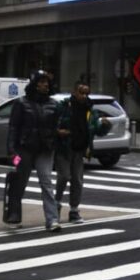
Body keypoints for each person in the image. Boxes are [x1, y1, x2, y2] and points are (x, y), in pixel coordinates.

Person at [6, 70, 60, 231]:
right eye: (41, 82)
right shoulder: (21, 103)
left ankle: (52, 220)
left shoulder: (54, 104)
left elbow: (57, 127)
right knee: (19, 182)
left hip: (45, 149)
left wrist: (55, 142)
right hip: (24, 149)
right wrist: (11, 151)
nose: (44, 85)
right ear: (34, 84)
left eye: (46, 82)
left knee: (47, 183)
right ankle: (14, 215)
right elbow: (13, 128)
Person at [54, 81, 109, 224]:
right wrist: (58, 132)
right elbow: (52, 124)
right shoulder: (64, 106)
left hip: (80, 150)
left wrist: (105, 126)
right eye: (81, 92)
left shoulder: (90, 110)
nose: (84, 96)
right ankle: (56, 204)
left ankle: (74, 210)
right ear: (74, 92)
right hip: (64, 148)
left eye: (86, 93)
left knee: (77, 181)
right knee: (64, 176)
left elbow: (96, 129)